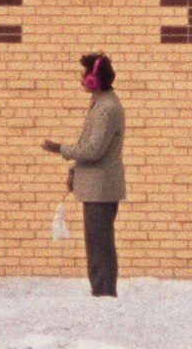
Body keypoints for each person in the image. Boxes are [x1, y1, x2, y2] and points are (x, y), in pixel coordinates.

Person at [41, 53, 125, 297]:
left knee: (100, 246)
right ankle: (101, 292)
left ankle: (104, 294)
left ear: (94, 79)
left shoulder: (107, 109)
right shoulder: (101, 104)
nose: (80, 80)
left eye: (84, 75)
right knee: (97, 244)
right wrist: (74, 172)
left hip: (101, 189)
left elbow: (93, 150)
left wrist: (60, 149)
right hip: (95, 187)